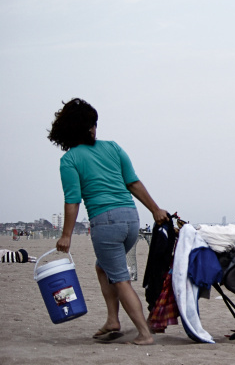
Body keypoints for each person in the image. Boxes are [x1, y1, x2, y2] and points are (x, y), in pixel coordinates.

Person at [48, 98, 168, 345]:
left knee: (120, 278)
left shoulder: (70, 160)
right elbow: (133, 183)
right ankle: (113, 320)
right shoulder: (113, 147)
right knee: (103, 267)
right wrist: (154, 209)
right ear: (78, 128)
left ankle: (144, 334)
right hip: (131, 219)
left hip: (106, 223)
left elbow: (72, 201)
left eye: (95, 124)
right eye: (90, 125)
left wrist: (66, 235)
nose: (94, 130)